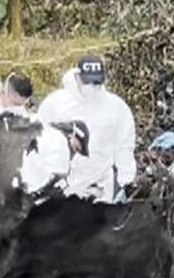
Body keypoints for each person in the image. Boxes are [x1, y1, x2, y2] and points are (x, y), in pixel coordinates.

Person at [37, 55, 137, 202]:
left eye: (96, 82)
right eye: (87, 81)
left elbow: (124, 148)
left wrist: (125, 183)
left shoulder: (116, 108)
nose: (92, 87)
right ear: (77, 76)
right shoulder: (55, 104)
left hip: (100, 191)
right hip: (59, 190)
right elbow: (38, 142)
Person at [19, 119, 89, 195]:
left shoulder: (50, 131)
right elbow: (59, 173)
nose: (75, 152)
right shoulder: (61, 145)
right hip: (26, 185)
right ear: (73, 134)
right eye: (77, 148)